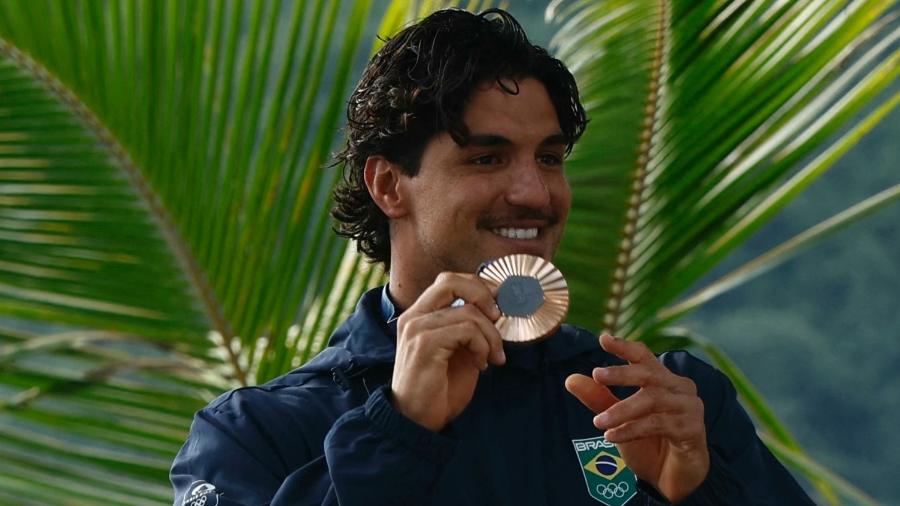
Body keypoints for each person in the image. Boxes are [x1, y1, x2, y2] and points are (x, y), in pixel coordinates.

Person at [171, 8, 815, 506]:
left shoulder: (668, 405)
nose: (535, 192)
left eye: (550, 158)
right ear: (388, 184)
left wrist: (694, 493)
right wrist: (398, 432)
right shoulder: (255, 435)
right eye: (487, 158)